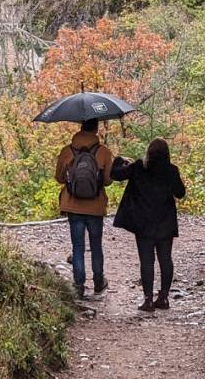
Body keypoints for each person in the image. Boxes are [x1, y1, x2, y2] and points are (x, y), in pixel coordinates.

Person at [111, 138, 186, 312]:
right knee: (166, 260)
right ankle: (164, 297)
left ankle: (148, 300)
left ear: (149, 152)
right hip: (165, 222)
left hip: (143, 222)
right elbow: (180, 193)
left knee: (146, 261)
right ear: (167, 153)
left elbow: (116, 175)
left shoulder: (139, 167)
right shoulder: (171, 170)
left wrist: (120, 160)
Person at [54, 118, 114, 299]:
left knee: (78, 246)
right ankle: (98, 282)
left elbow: (59, 178)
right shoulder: (103, 152)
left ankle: (79, 285)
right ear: (96, 129)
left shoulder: (67, 151)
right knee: (96, 245)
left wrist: (72, 180)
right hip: (95, 207)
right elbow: (108, 180)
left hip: (73, 205)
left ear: (80, 128)